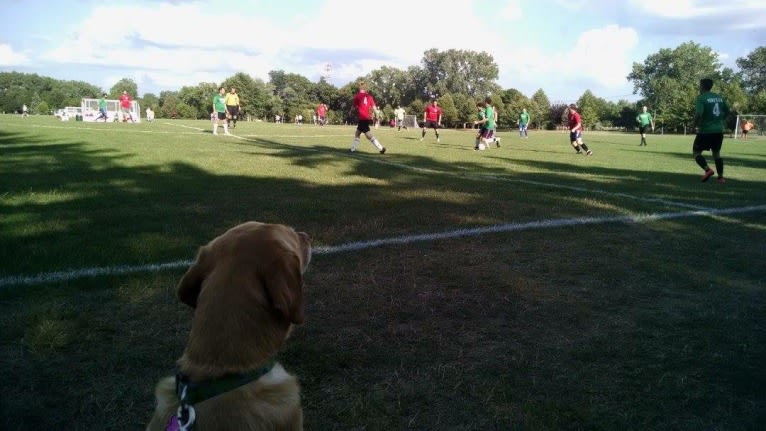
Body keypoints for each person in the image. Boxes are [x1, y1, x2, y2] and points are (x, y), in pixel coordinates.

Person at [693, 78, 729, 183]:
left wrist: (693, 125)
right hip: (718, 130)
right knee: (716, 154)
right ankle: (721, 177)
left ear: (702, 86)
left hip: (705, 131)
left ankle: (707, 170)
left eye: (699, 85)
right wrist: (720, 121)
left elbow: (699, 113)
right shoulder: (719, 97)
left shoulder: (701, 98)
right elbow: (727, 111)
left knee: (696, 152)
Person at [350, 80, 386, 154]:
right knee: (358, 133)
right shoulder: (369, 96)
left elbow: (353, 108)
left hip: (362, 118)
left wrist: (350, 112)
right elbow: (374, 107)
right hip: (366, 118)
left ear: (359, 88)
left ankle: (381, 148)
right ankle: (353, 149)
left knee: (368, 135)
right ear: (365, 88)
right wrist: (378, 116)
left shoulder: (357, 96)